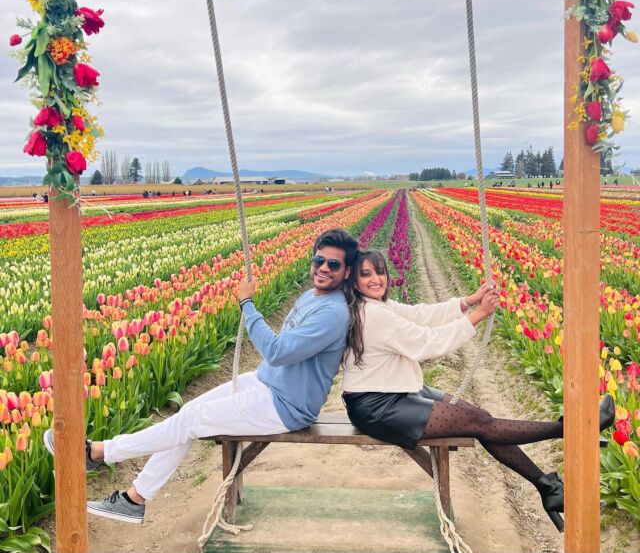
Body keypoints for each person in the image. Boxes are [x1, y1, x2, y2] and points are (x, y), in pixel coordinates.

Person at [44, 228, 358, 524]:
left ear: (346, 272)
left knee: (191, 422)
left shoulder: (332, 313)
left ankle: (98, 452)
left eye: (334, 264)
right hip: (266, 383)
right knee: (187, 414)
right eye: (319, 260)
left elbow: (276, 351)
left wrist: (247, 304)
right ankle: (134, 499)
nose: (323, 268)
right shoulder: (312, 297)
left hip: (286, 406)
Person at [341, 249, 615, 533]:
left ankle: (547, 486)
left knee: (478, 417)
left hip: (397, 390)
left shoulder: (377, 307)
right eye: (366, 274)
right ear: (354, 281)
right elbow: (427, 342)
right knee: (479, 423)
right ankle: (576, 429)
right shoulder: (371, 314)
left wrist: (467, 302)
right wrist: (479, 314)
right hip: (378, 406)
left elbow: (419, 314)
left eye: (380, 271)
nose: (376, 279)